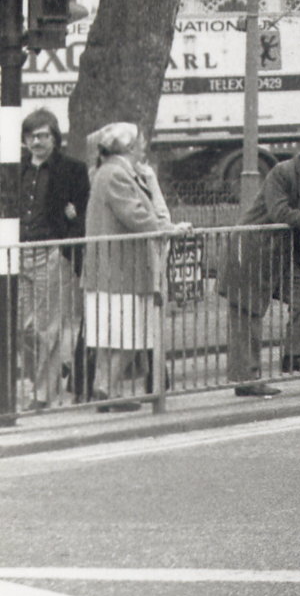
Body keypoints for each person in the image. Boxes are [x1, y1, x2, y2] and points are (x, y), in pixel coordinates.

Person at [218, 131, 300, 398]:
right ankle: (245, 379)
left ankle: (295, 356)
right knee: (247, 315)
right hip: (251, 252)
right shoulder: (282, 172)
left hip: (278, 256)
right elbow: (281, 212)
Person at [81, 122, 190, 411]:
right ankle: (106, 389)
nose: (144, 145)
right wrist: (168, 228)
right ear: (129, 146)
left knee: (109, 335)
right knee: (131, 334)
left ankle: (106, 389)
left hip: (109, 268)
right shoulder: (117, 175)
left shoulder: (110, 172)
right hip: (121, 268)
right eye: (140, 141)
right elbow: (136, 215)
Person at [17, 109, 90, 410]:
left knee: (50, 325)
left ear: (55, 138)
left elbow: (83, 210)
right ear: (24, 139)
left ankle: (43, 394)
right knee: (22, 326)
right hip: (18, 253)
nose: (38, 141)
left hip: (51, 253)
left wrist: (69, 227)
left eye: (44, 135)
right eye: (33, 136)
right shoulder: (14, 168)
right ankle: (54, 367)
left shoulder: (72, 168)